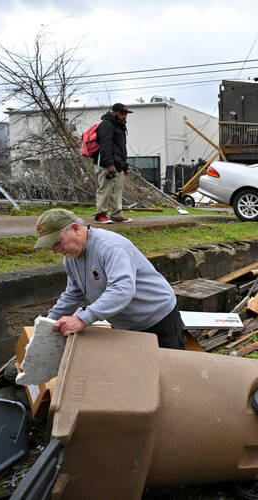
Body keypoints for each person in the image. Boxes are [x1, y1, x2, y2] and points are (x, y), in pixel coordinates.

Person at [34, 208, 185, 349]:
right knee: (133, 372)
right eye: (51, 247)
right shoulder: (71, 257)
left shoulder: (111, 247)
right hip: (125, 324)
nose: (56, 251)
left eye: (58, 243)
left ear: (75, 228)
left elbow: (122, 290)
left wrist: (82, 319)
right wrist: (47, 324)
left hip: (157, 318)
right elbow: (74, 294)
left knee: (168, 372)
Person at [94, 103, 133, 224]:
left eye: (126, 114)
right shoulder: (106, 125)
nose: (124, 116)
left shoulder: (120, 125)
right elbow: (105, 146)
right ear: (114, 112)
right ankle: (100, 215)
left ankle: (116, 214)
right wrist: (109, 164)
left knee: (117, 190)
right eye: (122, 113)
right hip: (106, 164)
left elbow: (120, 148)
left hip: (119, 164)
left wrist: (125, 166)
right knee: (105, 189)